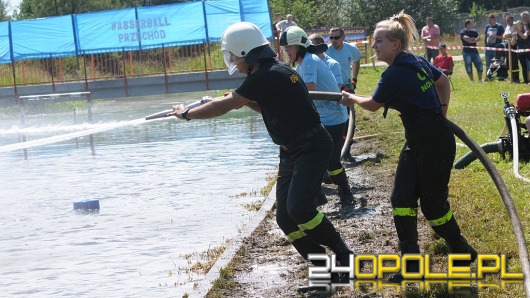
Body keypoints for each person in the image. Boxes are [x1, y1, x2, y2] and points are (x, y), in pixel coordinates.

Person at [171, 21, 356, 286]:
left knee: (299, 209)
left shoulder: (267, 74)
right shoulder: (271, 72)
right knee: (285, 218)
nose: (233, 61)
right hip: (292, 150)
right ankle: (323, 274)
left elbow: (223, 106)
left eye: (234, 55)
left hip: (311, 146)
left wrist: (186, 114)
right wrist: (245, 102)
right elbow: (271, 106)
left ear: (246, 52)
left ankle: (343, 254)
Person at [338, 11, 477, 283]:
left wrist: (351, 97)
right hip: (417, 142)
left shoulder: (396, 72)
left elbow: (373, 105)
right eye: (373, 40)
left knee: (434, 208)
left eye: (378, 41)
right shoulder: (414, 60)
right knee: (401, 199)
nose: (373, 45)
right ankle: (411, 263)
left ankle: (461, 249)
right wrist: (442, 112)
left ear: (395, 45)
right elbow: (442, 81)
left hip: (435, 145)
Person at [280, 26, 355, 206]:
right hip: (321, 118)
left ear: (298, 46)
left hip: (334, 118)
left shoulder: (309, 61)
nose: (286, 52)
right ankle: (317, 195)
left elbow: (309, 91)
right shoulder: (301, 64)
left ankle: (345, 191)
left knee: (332, 162)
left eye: (288, 48)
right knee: (312, 157)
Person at [326, 27, 362, 162]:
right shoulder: (327, 51)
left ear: (343, 38)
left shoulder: (350, 49)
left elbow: (357, 59)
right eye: (331, 38)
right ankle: (335, 150)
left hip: (346, 87)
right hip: (332, 89)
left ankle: (346, 151)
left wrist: (354, 79)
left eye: (336, 38)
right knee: (335, 119)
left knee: (349, 119)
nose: (333, 41)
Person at [509, 20, 529, 84]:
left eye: (518, 25)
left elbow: (525, 37)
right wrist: (514, 36)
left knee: (529, 66)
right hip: (520, 53)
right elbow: (512, 43)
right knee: (524, 67)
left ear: (521, 25)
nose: (516, 26)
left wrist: (518, 32)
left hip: (528, 51)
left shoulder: (526, 31)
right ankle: (526, 80)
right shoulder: (515, 33)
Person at [503, 13, 520, 83]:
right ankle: (511, 77)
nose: (508, 22)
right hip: (507, 44)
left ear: (512, 19)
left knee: (514, 62)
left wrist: (509, 35)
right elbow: (504, 36)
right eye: (506, 20)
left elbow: (515, 35)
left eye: (509, 20)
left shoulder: (515, 26)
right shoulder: (507, 27)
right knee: (509, 62)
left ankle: (516, 78)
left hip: (513, 45)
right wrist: (505, 36)